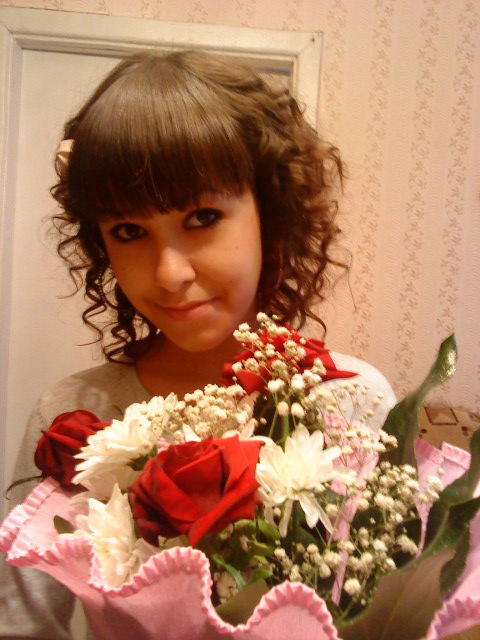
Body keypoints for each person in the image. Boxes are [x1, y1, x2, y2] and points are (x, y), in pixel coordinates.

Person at [0, 49, 396, 639]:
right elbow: (21, 623)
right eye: (129, 231)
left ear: (269, 212)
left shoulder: (354, 400)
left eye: (203, 217)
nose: (169, 274)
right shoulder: (69, 414)